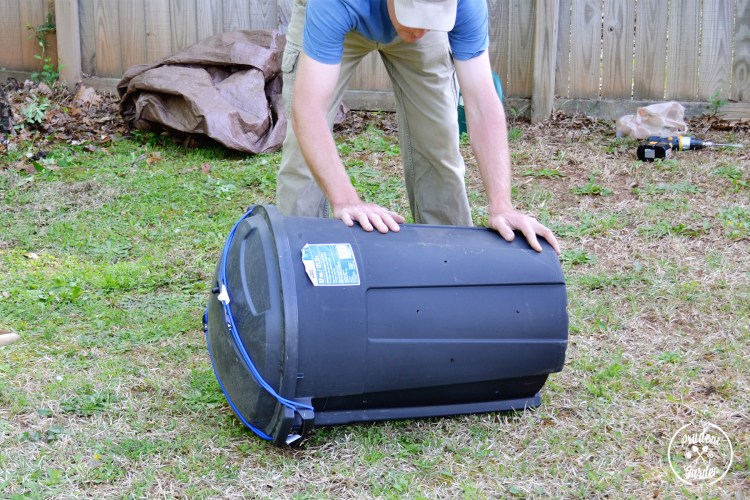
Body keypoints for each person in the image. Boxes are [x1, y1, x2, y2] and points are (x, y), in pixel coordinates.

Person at [276, 0, 560, 254]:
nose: (420, 29)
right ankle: (297, 266)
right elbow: (308, 110)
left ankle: (450, 264)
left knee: (439, 145)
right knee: (303, 159)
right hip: (347, 11)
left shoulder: (463, 5)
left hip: (406, 11)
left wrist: (502, 205)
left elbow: (483, 105)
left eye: (431, 16)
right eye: (416, 14)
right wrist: (347, 200)